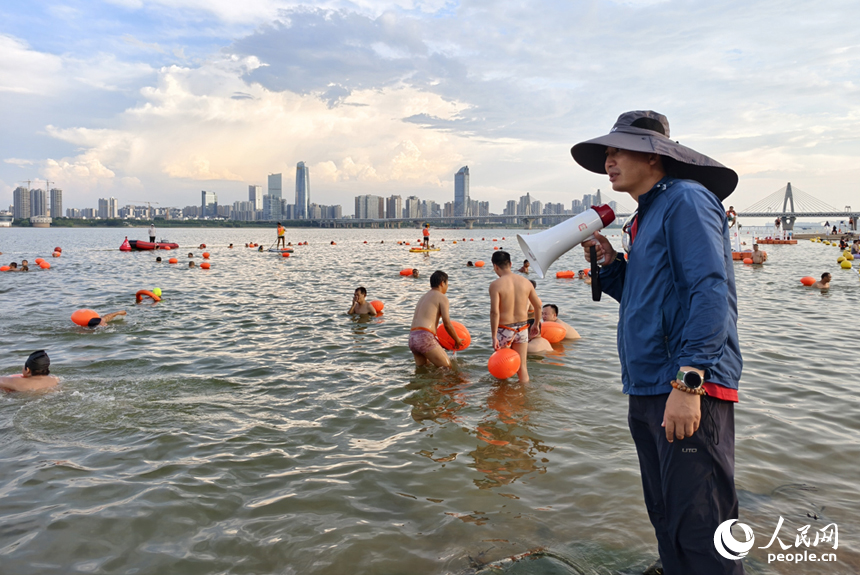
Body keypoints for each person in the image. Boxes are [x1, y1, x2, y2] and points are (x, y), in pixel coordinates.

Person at [574, 110, 742, 574]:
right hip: (648, 386)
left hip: (685, 386)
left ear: (653, 155)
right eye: (606, 153)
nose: (608, 161)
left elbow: (709, 290)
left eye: (618, 151)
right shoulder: (645, 216)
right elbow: (644, 298)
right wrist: (611, 265)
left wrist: (689, 382)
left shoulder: (686, 199)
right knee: (666, 517)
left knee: (703, 527)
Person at [489, 250, 542, 383]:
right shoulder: (526, 282)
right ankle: (524, 393)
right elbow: (538, 306)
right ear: (511, 264)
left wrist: (494, 336)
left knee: (501, 366)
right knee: (522, 367)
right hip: (522, 328)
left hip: (504, 329)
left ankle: (502, 394)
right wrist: (536, 324)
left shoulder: (496, 285)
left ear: (495, 266)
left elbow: (494, 312)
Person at [409, 270, 462, 368]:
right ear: (442, 283)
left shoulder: (423, 297)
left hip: (412, 338)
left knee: (423, 370)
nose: (447, 287)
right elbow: (447, 323)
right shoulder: (442, 297)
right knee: (447, 368)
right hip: (425, 337)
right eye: (447, 284)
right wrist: (457, 339)